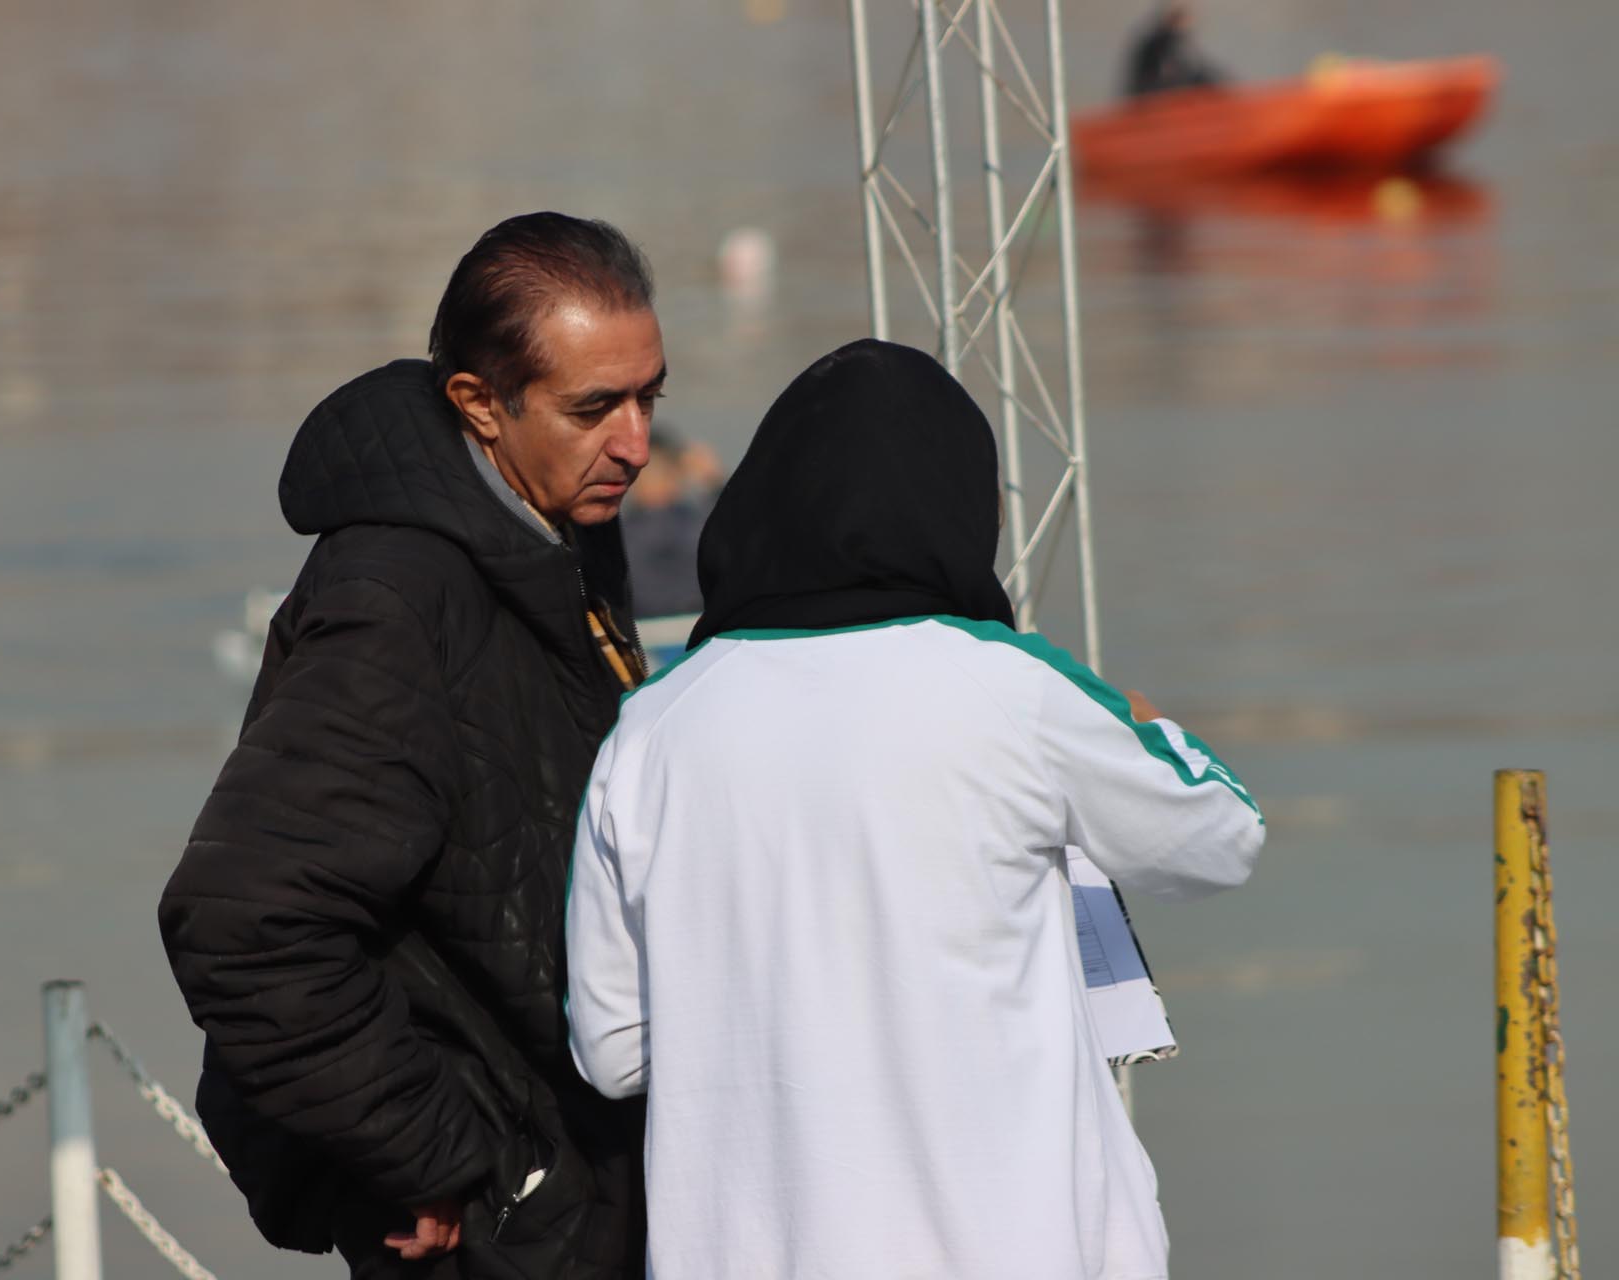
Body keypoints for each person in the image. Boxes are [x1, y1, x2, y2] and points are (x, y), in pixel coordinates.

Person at [565, 339, 1265, 1279]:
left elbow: (611, 1049)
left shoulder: (650, 729)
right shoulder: (1009, 688)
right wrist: (1132, 716)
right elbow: (1221, 835)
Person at [160, 212, 666, 1278]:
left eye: (647, 398)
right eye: (594, 407)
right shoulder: (395, 599)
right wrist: (424, 1152)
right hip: (496, 1217)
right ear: (480, 404)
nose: (635, 442)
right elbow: (245, 921)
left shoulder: (561, 528)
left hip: (576, 1181)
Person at [616, 425, 722, 619]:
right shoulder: (705, 521)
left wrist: (714, 484)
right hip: (691, 624)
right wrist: (714, 483)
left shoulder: (614, 532)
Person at [1124, 1, 1228, 98]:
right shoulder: (1159, 43)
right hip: (1154, 97)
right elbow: (1166, 73)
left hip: (1162, 91)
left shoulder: (1176, 41)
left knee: (1205, 78)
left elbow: (1197, 68)